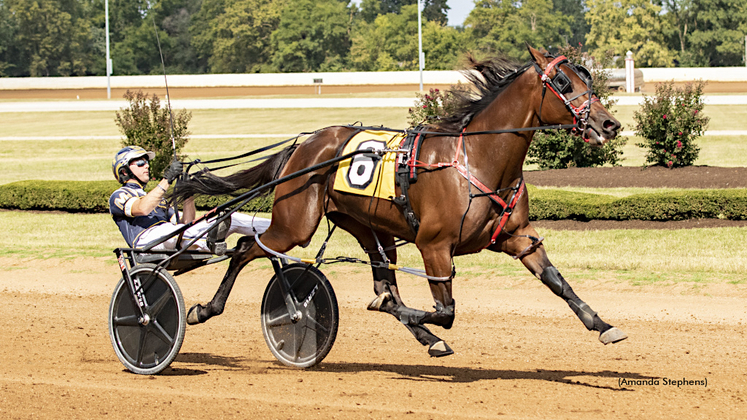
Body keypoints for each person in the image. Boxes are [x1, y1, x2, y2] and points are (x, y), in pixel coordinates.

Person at [109, 146, 270, 252]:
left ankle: (275, 229)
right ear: (124, 171)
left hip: (174, 237)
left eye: (146, 162)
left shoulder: (159, 199)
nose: (147, 165)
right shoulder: (119, 195)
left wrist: (188, 192)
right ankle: (210, 240)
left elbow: (186, 222)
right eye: (140, 162)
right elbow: (142, 208)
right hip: (148, 240)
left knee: (230, 217)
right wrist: (168, 179)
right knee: (174, 231)